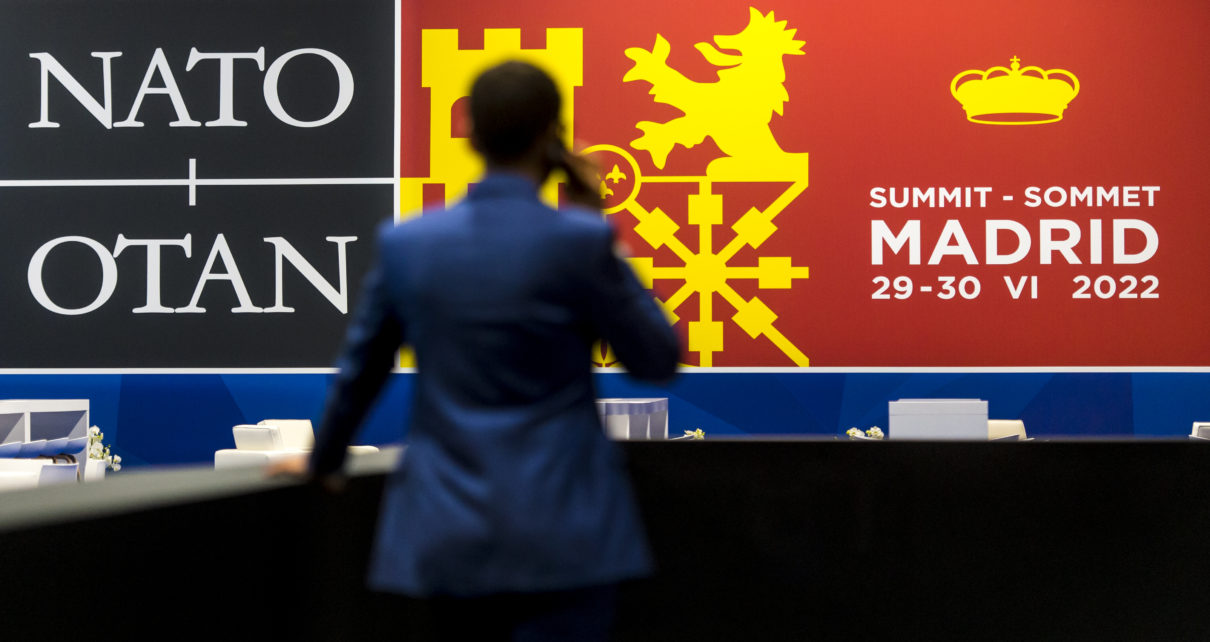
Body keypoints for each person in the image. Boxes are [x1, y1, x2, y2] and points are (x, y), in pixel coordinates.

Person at [304, 60, 681, 639]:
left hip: (450, 533)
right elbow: (657, 359)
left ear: (471, 134)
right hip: (565, 535)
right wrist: (599, 233)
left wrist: (324, 462)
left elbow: (360, 374)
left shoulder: (408, 244)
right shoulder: (581, 242)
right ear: (551, 134)